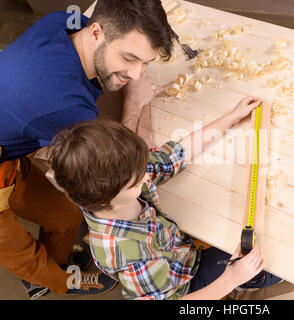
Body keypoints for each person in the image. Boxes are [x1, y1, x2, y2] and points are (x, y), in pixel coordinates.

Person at [0, 0, 174, 296]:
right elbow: (120, 164)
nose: (137, 74)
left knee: (64, 216)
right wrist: (135, 99)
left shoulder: (64, 22)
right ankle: (60, 283)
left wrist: (124, 70)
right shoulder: (65, 107)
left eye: (145, 63)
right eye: (129, 58)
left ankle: (60, 262)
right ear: (96, 33)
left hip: (9, 149)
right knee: (21, 255)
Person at [49, 96, 283, 299]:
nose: (145, 174)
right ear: (109, 198)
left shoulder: (123, 177)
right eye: (137, 180)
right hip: (185, 284)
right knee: (272, 264)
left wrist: (232, 117)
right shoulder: (128, 257)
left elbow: (174, 156)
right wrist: (231, 280)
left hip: (179, 251)